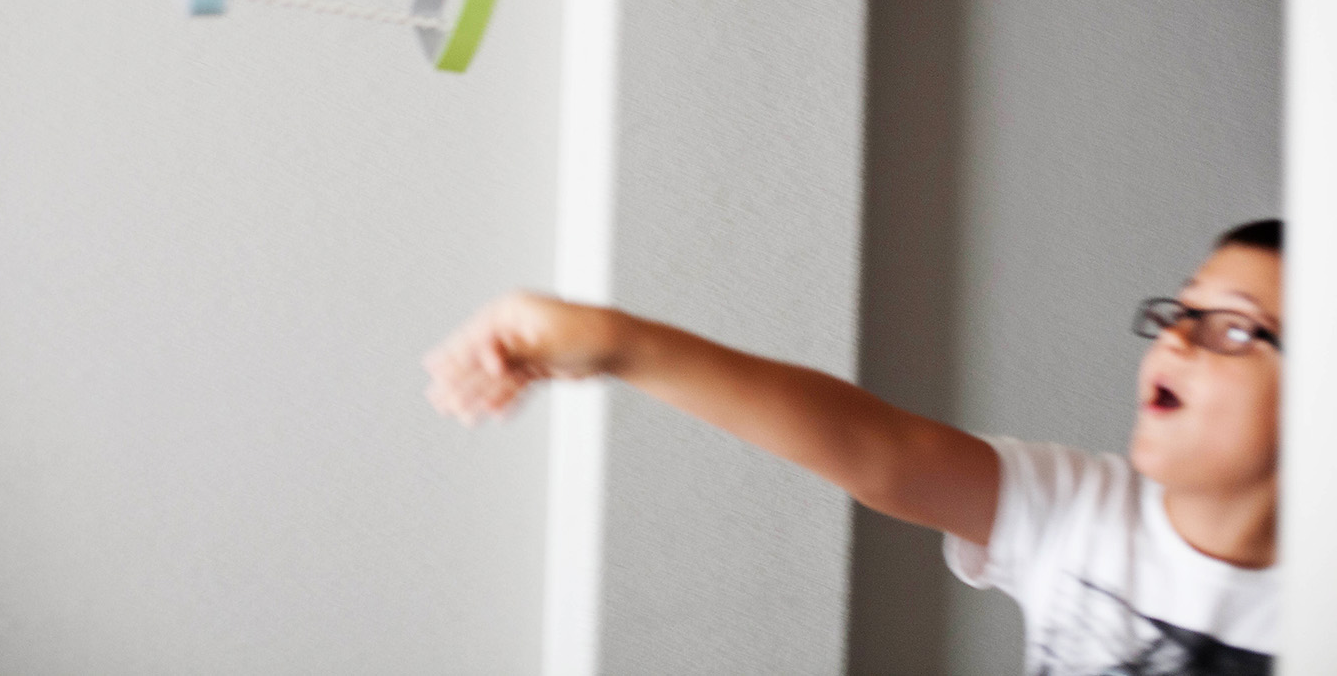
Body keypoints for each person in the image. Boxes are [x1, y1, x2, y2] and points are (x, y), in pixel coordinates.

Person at [423, 220, 1282, 675]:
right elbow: (881, 453)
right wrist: (614, 342)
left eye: (1235, 327)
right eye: (1178, 312)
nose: (1176, 340)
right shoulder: (1082, 509)